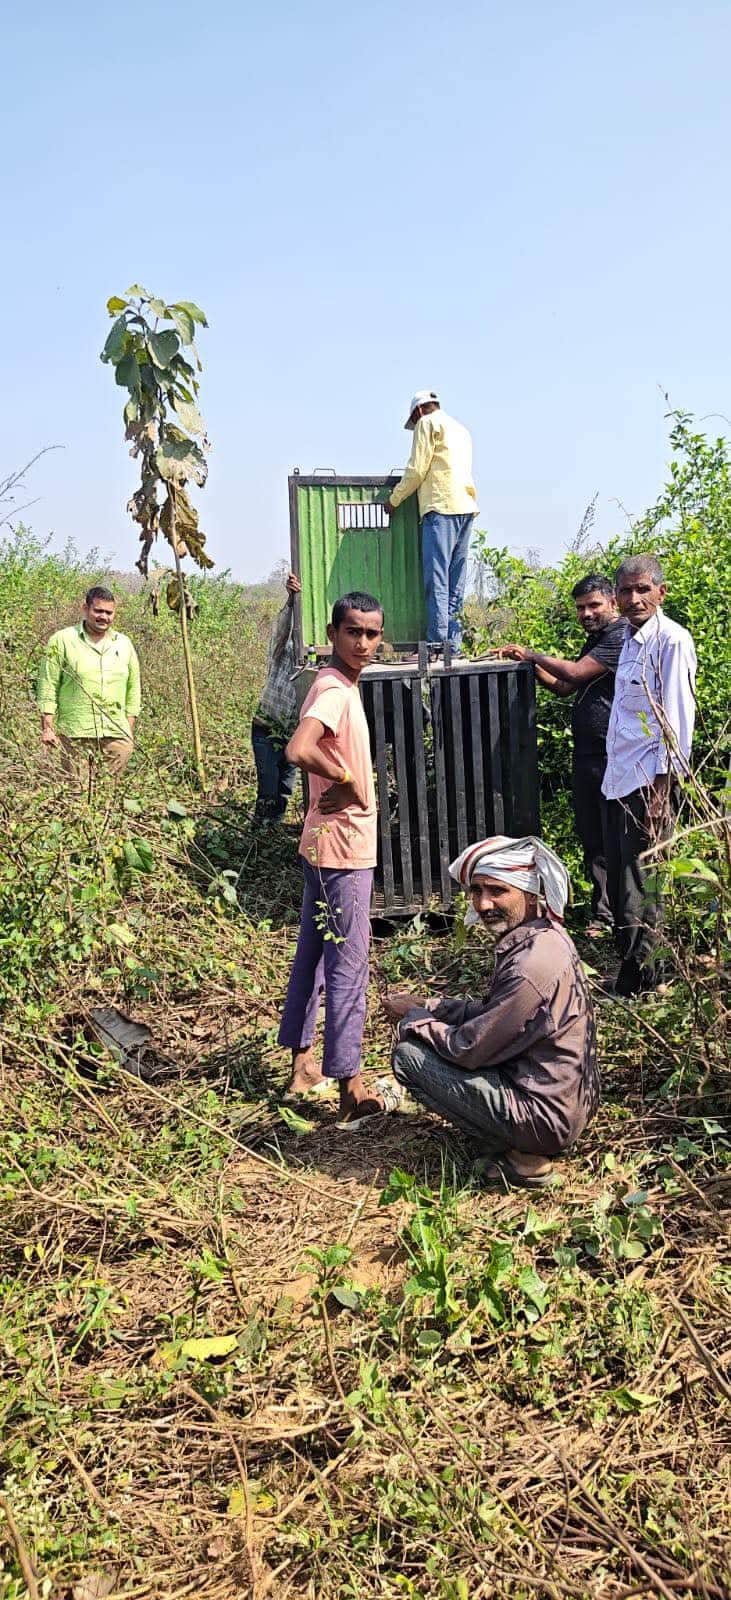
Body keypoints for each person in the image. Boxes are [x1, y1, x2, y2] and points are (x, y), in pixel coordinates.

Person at [385, 835, 599, 1189]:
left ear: (530, 895)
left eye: (498, 891)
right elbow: (493, 1013)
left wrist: (415, 1022)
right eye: (477, 891)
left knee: (409, 1057)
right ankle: (519, 1137)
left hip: (547, 1116)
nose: (483, 904)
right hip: (561, 1100)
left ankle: (526, 1159)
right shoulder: (542, 938)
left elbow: (469, 1048)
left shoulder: (531, 965)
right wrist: (431, 1007)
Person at [278, 591, 401, 1127]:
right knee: (348, 965)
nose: (364, 643)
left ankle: (303, 1065)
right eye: (354, 632)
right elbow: (299, 748)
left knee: (313, 955)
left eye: (373, 633)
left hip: (321, 844)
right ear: (333, 633)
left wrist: (339, 778)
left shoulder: (341, 687)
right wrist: (347, 780)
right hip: (344, 851)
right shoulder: (333, 690)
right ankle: (350, 1083)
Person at [500, 576, 626, 933]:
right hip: (587, 755)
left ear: (612, 602)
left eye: (593, 606)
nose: (586, 613)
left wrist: (532, 653)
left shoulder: (619, 637)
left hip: (610, 756)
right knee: (594, 838)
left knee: (614, 837)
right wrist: (529, 666)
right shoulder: (597, 639)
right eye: (581, 608)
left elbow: (574, 671)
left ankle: (620, 916)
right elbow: (565, 686)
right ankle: (604, 915)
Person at [601, 555, 696, 996]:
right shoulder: (629, 639)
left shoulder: (672, 642)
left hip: (647, 785)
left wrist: (662, 792)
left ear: (661, 593)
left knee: (643, 884)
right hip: (619, 782)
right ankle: (632, 969)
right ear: (616, 598)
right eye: (626, 591)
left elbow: (676, 724)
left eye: (643, 589)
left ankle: (646, 980)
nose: (635, 598)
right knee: (623, 881)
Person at [385, 390, 478, 653]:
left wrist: (394, 500)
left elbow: (416, 470)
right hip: (466, 507)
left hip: (440, 506)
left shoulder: (427, 423)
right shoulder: (461, 429)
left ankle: (437, 645)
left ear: (417, 412)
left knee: (437, 581)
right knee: (455, 583)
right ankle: (453, 647)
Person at [37, 586, 141, 784]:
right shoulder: (62, 640)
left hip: (116, 732)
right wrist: (48, 728)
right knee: (77, 791)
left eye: (109, 613)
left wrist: (128, 728)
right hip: (75, 732)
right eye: (98, 611)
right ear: (85, 609)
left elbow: (133, 688)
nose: (104, 617)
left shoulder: (124, 644)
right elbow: (48, 684)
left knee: (109, 792)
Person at [251, 572, 301, 824]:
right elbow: (282, 628)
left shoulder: (320, 666)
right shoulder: (283, 651)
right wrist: (291, 600)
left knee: (285, 789)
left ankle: (273, 829)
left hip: (292, 735)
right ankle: (259, 833)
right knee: (268, 789)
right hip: (266, 728)